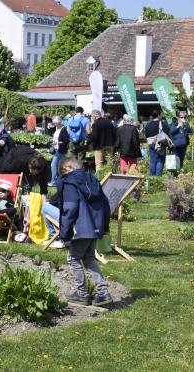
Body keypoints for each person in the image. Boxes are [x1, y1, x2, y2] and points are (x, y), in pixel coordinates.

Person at [57, 157, 112, 306]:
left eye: (62, 173)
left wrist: (65, 231)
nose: (62, 176)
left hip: (80, 228)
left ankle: (82, 294)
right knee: (88, 258)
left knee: (73, 259)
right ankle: (103, 293)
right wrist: (104, 227)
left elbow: (70, 207)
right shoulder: (93, 180)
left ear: (67, 168)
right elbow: (106, 205)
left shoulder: (70, 182)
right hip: (95, 226)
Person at [144, 110, 169, 176]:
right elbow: (167, 134)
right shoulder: (162, 123)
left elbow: (146, 135)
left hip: (151, 143)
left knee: (153, 161)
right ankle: (158, 178)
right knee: (160, 160)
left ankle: (152, 177)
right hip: (160, 143)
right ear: (158, 115)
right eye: (160, 115)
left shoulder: (148, 124)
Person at [50, 116, 69, 186]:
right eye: (54, 123)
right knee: (60, 166)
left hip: (60, 150)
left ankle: (54, 181)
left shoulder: (63, 129)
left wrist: (57, 143)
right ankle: (59, 180)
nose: (54, 124)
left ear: (59, 122)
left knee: (53, 165)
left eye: (55, 123)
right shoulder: (57, 128)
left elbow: (66, 141)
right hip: (56, 149)